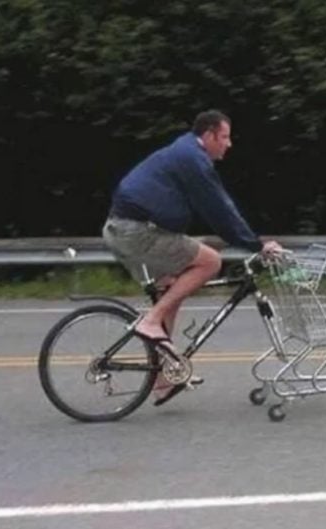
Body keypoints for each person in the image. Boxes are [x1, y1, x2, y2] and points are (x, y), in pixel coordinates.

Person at [103, 109, 282, 405]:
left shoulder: (186, 152)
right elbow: (220, 210)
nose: (229, 144)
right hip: (134, 231)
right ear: (209, 135)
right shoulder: (193, 159)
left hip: (126, 229)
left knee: (170, 288)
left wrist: (242, 239)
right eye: (225, 137)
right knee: (210, 261)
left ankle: (162, 377)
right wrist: (256, 245)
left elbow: (213, 212)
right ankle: (151, 322)